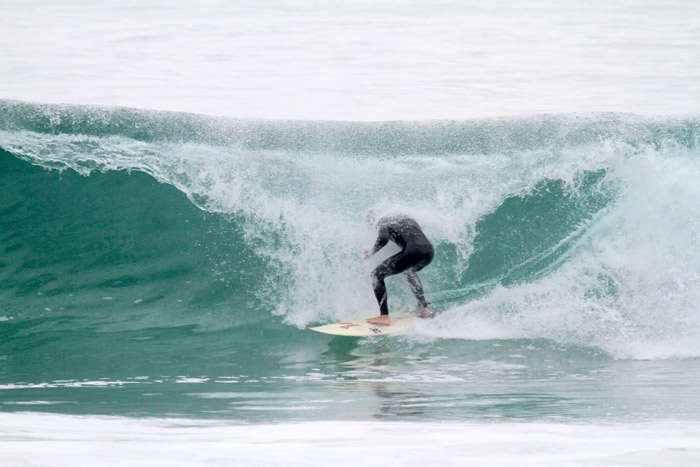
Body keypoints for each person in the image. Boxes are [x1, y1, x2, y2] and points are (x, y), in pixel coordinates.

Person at [363, 210, 434, 326]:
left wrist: (371, 253)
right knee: (408, 271)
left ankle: (384, 316)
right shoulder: (405, 218)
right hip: (429, 252)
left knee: (376, 275)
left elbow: (383, 238)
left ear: (372, 220)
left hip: (413, 252)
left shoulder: (383, 221)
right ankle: (424, 309)